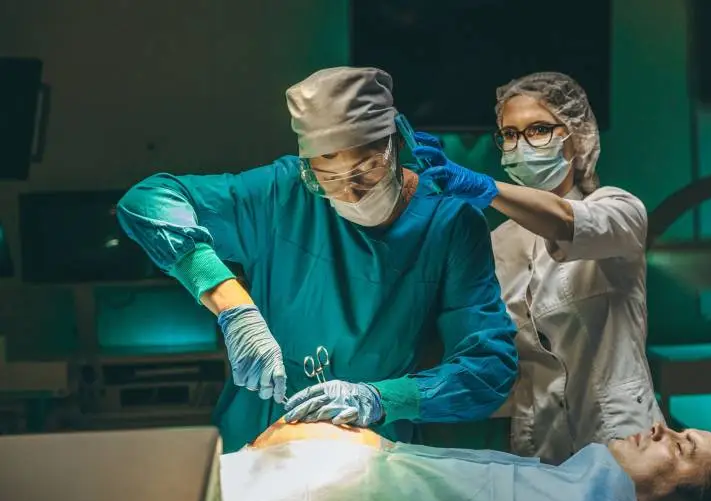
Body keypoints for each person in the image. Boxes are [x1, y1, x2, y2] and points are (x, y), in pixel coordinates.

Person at [117, 66, 519, 453]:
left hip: (369, 444)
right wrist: (233, 307)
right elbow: (147, 201)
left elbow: (489, 369)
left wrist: (380, 399)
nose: (351, 194)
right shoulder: (282, 193)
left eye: (366, 172)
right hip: (259, 430)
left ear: (397, 142)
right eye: (330, 180)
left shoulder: (448, 223)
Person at [409, 71, 663, 464]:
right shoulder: (496, 244)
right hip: (540, 442)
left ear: (577, 138)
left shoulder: (618, 210)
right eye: (510, 134)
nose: (521, 144)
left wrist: (485, 188)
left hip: (624, 435)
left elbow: (564, 221)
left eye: (539, 130)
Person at [221, 419, 711, 501]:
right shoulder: (573, 489)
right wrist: (375, 446)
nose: (659, 428)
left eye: (681, 447)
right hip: (300, 487)